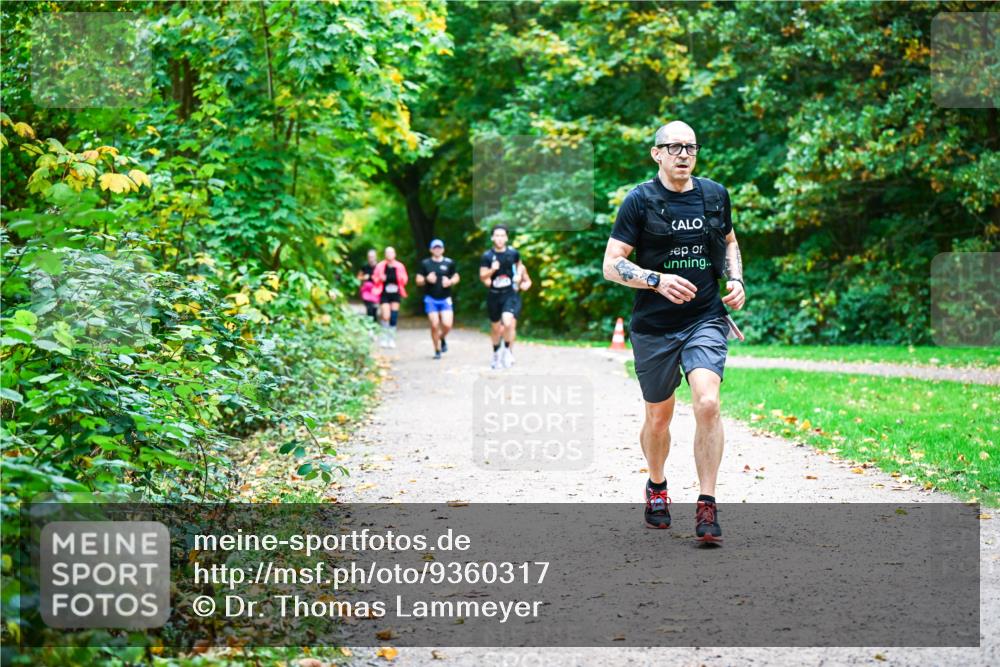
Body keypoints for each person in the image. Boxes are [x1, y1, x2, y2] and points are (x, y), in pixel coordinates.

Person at [602, 120, 745, 544]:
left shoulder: (714, 195)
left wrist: (734, 279)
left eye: (691, 147)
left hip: (704, 318)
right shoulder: (639, 201)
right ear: (657, 154)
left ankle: (707, 504)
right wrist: (656, 280)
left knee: (707, 402)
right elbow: (612, 263)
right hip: (654, 326)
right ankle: (657, 484)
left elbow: (731, 241)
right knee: (659, 419)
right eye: (675, 147)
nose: (684, 154)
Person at [479, 225, 531, 369]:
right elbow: (482, 276)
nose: (500, 238)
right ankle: (496, 354)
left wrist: (521, 277)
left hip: (510, 294)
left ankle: (507, 351)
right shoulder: (487, 256)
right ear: (492, 237)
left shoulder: (513, 253)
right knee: (496, 328)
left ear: (506, 238)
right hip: (494, 295)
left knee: (508, 322)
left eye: (502, 235)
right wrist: (492, 270)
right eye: (497, 235)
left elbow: (520, 266)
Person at [415, 238, 460, 359]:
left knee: (447, 325)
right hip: (431, 299)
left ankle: (442, 337)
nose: (437, 250)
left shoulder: (449, 263)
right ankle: (437, 350)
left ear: (443, 249)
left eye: (439, 248)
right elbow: (418, 280)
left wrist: (450, 282)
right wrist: (426, 279)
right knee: (434, 324)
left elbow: (456, 276)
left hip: (445, 298)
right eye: (435, 248)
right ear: (431, 250)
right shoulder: (425, 264)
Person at [372, 246, 409, 348]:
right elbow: (374, 278)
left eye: (391, 253)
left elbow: (405, 279)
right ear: (385, 254)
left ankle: (391, 338)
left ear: (395, 254)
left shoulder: (399, 266)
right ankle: (384, 337)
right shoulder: (380, 266)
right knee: (385, 316)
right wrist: (380, 278)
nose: (389, 255)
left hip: (396, 292)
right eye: (387, 253)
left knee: (393, 316)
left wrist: (399, 279)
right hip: (384, 293)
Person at [357, 248, 379, 322]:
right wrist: (364, 277)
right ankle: (370, 325)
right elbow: (358, 277)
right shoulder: (364, 267)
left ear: (376, 257)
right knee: (369, 308)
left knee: (374, 308)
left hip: (376, 290)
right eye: (369, 257)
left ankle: (374, 324)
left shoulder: (379, 266)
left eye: (372, 257)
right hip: (366, 290)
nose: (371, 258)